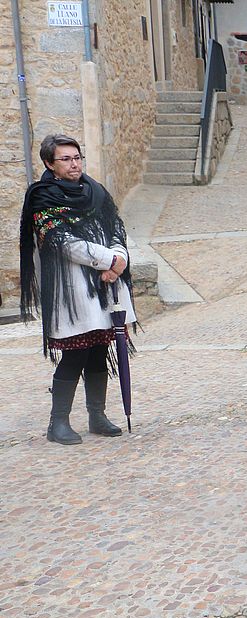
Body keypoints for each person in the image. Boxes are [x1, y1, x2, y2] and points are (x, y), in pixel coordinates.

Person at [19, 134, 135, 445]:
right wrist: (108, 259)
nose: (75, 164)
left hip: (105, 287)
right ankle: (57, 424)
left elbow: (115, 227)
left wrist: (119, 258)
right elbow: (62, 243)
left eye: (77, 157)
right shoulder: (43, 199)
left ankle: (97, 416)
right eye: (66, 159)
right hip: (72, 293)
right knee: (75, 353)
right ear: (49, 164)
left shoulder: (95, 191)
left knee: (99, 349)